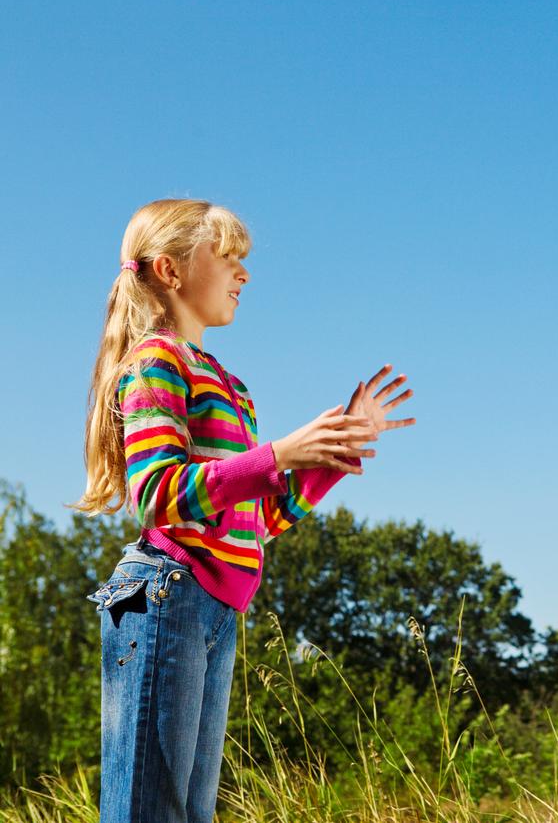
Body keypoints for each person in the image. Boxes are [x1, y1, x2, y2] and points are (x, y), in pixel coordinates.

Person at [74, 198, 416, 823]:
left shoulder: (232, 386)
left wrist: (328, 457)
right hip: (164, 595)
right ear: (170, 271)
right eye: (227, 256)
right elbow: (158, 493)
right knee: (151, 812)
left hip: (215, 609)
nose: (245, 274)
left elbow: (260, 521)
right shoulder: (156, 362)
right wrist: (279, 452)